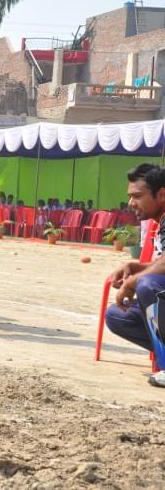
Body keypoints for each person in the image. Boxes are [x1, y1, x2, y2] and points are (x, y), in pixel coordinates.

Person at [105, 164, 165, 386]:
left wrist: (132, 282)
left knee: (148, 286)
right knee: (117, 316)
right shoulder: (160, 222)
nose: (131, 203)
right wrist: (136, 266)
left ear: (161, 194)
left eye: (137, 196)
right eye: (130, 197)